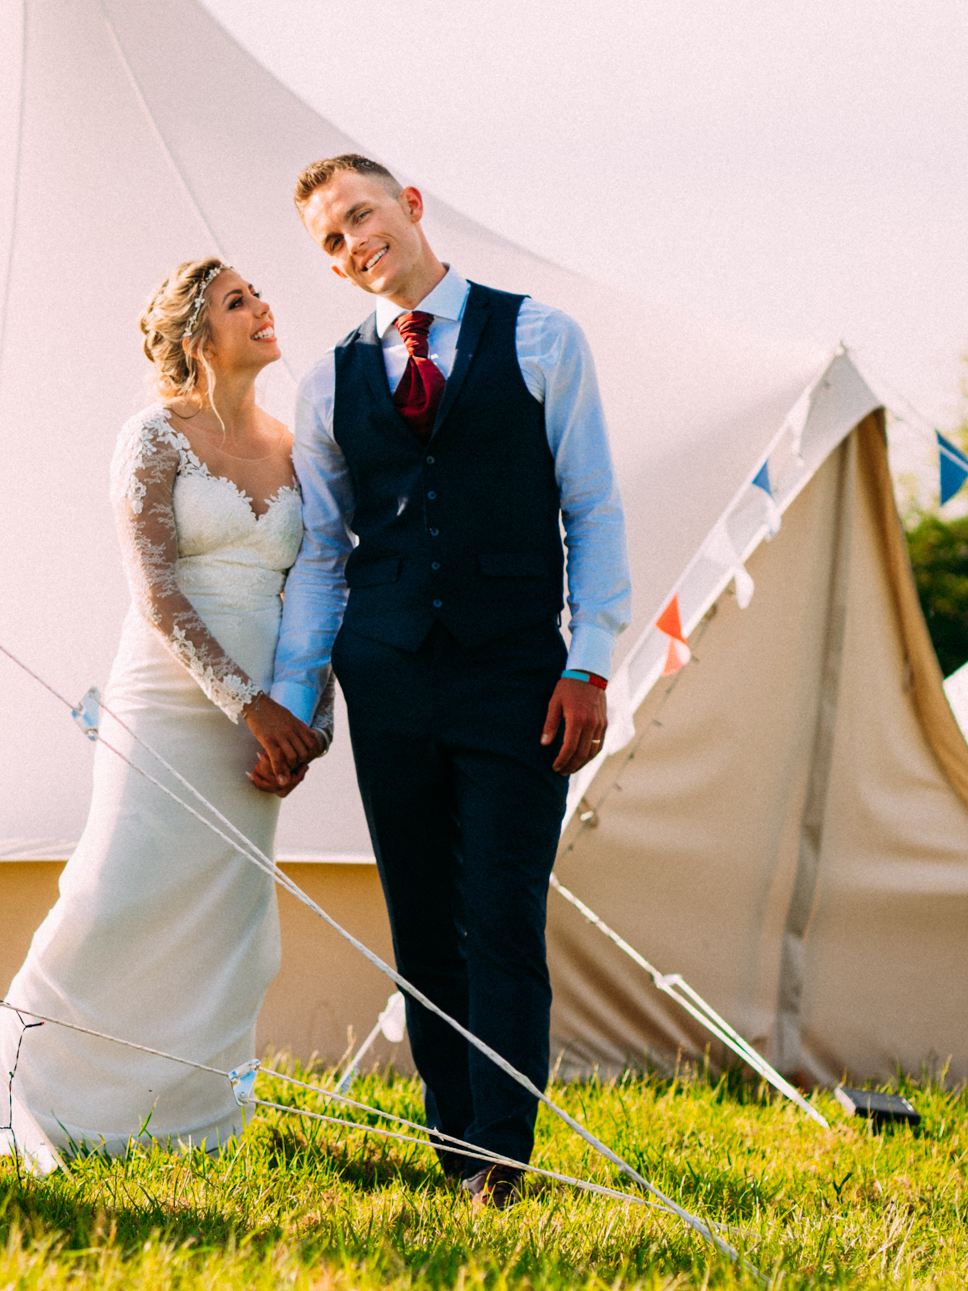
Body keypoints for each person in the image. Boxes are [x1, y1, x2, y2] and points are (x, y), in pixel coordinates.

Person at [0, 253, 316, 1165]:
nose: (264, 306)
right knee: (112, 896)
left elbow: (320, 594)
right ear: (197, 336)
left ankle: (192, 1117)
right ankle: (27, 1092)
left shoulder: (297, 447)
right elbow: (156, 594)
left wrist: (305, 724)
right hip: (171, 703)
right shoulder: (152, 436)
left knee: (231, 920)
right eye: (240, 300)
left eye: (260, 293)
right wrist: (248, 704)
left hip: (270, 729)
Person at [266, 153, 630, 1203]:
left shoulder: (540, 336)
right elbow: (325, 552)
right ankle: (456, 1149)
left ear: (409, 206)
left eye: (359, 217)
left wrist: (588, 662)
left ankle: (501, 1165)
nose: (351, 246)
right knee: (422, 923)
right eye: (329, 242)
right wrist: (301, 703)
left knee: (500, 913)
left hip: (517, 677)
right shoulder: (328, 378)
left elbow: (591, 508)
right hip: (387, 680)